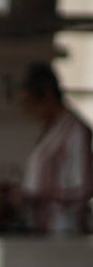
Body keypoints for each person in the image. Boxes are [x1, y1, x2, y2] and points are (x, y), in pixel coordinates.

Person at [16, 62, 93, 235]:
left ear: (48, 94)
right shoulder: (50, 130)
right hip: (39, 227)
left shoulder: (75, 131)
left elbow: (84, 187)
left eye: (31, 104)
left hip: (63, 230)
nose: (29, 112)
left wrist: (40, 197)